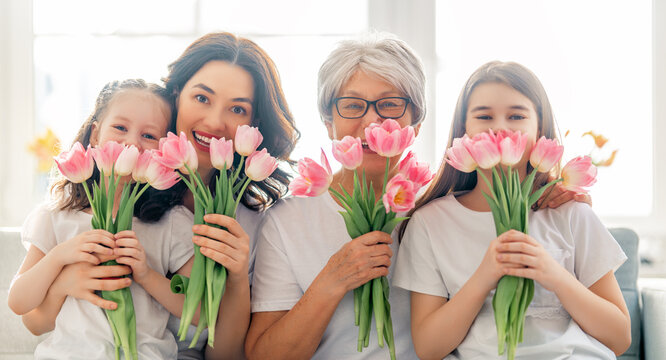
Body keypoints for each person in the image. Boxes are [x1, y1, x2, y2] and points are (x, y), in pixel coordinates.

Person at [20, 32, 300, 360]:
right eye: (202, 98)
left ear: (254, 123)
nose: (214, 121)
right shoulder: (110, 200)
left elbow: (223, 356)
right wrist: (62, 280)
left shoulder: (258, 224)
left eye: (238, 109)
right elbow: (33, 318)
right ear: (177, 96)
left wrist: (236, 279)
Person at [393, 61, 631, 359]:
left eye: (516, 115)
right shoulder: (431, 223)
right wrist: (486, 274)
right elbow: (429, 348)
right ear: (463, 130)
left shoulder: (571, 213)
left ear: (539, 128)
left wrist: (552, 273)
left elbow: (620, 337)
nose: (500, 128)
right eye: (484, 116)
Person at [245, 31, 422, 359]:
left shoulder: (436, 202)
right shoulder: (288, 219)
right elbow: (262, 355)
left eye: (390, 105)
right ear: (329, 123)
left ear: (417, 123)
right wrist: (332, 279)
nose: (371, 121)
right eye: (353, 105)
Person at [8, 79, 194, 359]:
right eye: (120, 128)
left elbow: (199, 311)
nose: (132, 142)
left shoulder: (170, 223)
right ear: (95, 135)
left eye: (149, 136)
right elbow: (19, 302)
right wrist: (60, 259)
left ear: (163, 151)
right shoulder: (57, 217)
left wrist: (146, 275)